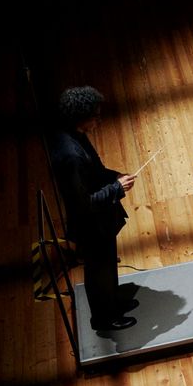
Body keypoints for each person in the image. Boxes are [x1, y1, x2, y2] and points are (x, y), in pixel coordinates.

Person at [49, 86, 139, 331]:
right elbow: (83, 204)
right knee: (98, 269)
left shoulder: (76, 133)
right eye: (96, 116)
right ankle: (104, 318)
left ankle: (112, 302)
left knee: (108, 262)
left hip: (101, 218)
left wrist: (114, 176)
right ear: (81, 117)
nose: (99, 119)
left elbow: (95, 170)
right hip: (90, 223)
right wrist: (117, 188)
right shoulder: (70, 155)